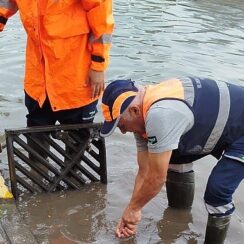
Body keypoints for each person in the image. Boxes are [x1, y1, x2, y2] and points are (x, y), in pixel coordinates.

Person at [100, 77, 244, 243]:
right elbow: (144, 170)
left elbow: (156, 178)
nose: (124, 132)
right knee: (172, 154)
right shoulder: (142, 113)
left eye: (122, 125)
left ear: (133, 111)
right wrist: (131, 211)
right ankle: (180, 219)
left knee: (217, 193)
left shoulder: (160, 116)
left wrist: (134, 209)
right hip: (223, 123)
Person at [0, 0, 114, 127]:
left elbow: (101, 19)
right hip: (38, 82)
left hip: (76, 79)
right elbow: (4, 4)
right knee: (35, 137)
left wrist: (98, 66)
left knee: (79, 140)